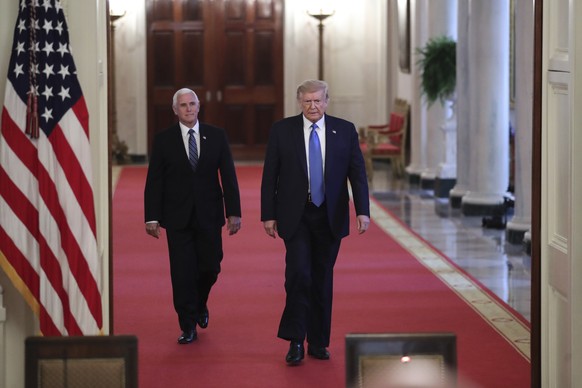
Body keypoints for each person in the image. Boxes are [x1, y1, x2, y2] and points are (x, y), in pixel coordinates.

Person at [260, 79, 370, 365]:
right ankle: (295, 340)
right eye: (307, 101)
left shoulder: (344, 130)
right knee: (298, 274)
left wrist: (363, 210)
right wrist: (268, 214)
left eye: (318, 101)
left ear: (327, 101)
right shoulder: (282, 130)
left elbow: (357, 173)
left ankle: (318, 341)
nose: (313, 106)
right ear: (299, 102)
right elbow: (270, 175)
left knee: (322, 278)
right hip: (295, 215)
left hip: (330, 216)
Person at [144, 87, 242, 345]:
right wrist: (151, 216)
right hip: (177, 217)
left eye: (192, 104)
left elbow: (229, 176)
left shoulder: (217, 136)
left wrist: (234, 212)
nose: (188, 109)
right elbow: (154, 180)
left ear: (199, 107)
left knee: (211, 265)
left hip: (209, 214)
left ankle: (200, 303)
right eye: (183, 105)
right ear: (175, 110)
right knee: (182, 272)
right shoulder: (164, 140)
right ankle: (187, 324)